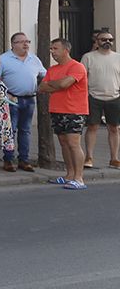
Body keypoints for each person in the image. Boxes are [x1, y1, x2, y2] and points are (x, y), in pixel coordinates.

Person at [39, 38, 89, 190]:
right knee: (63, 143)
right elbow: (42, 87)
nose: (52, 52)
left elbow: (64, 84)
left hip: (74, 110)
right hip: (57, 109)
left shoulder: (77, 67)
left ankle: (79, 178)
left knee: (74, 143)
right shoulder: (52, 70)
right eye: (51, 49)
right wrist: (58, 85)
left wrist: (55, 84)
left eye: (55, 49)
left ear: (66, 50)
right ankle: (69, 174)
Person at [0, 32, 44, 172]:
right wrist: (6, 94)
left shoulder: (34, 59)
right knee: (11, 130)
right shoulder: (3, 59)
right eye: (22, 41)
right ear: (13, 44)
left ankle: (24, 159)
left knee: (26, 130)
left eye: (27, 41)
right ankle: (8, 159)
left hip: (29, 99)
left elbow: (44, 74)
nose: (26, 44)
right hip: (12, 100)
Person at [80, 30, 120, 170]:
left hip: (114, 97)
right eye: (103, 39)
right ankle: (89, 157)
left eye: (110, 39)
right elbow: (82, 78)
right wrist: (84, 95)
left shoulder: (118, 57)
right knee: (92, 127)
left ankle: (114, 158)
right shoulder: (88, 57)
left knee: (114, 128)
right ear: (96, 41)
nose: (107, 42)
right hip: (94, 96)